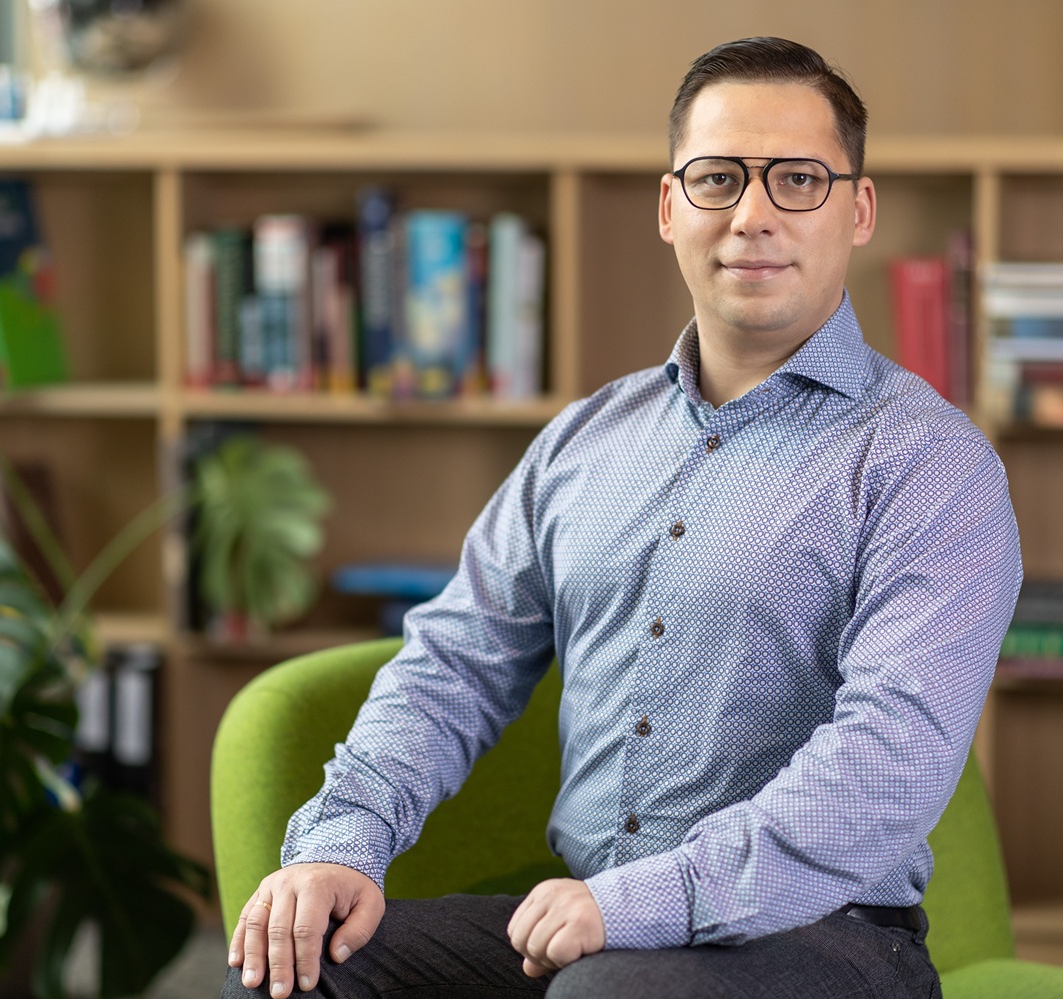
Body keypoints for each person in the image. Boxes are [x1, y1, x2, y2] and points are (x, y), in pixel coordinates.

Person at [222, 35, 1021, 999]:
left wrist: (641, 902)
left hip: (828, 937)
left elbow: (885, 768)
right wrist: (340, 842)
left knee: (611, 993)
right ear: (670, 207)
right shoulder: (583, 440)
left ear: (857, 211)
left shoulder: (931, 464)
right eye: (718, 179)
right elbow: (454, 665)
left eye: (799, 180)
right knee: (297, 969)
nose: (753, 215)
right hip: (588, 922)